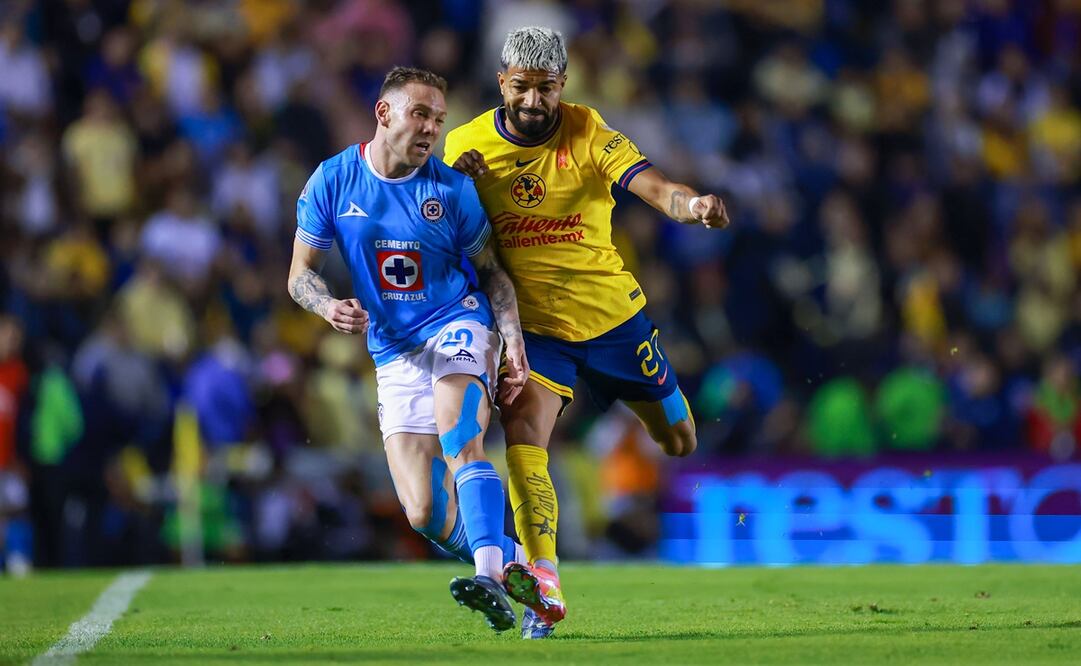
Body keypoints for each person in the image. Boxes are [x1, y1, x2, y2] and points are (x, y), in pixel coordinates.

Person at [444, 27, 730, 638]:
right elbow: (433, 220)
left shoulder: (589, 130)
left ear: (562, 86)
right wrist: (453, 184)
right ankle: (542, 580)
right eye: (520, 87)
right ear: (502, 82)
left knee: (680, 440)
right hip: (535, 328)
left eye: (545, 89)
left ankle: (637, 413)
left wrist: (692, 205)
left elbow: (654, 186)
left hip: (613, 320)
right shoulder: (464, 145)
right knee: (522, 428)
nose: (531, 101)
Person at [287, 66, 530, 633]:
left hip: (456, 322)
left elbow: (493, 275)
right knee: (421, 511)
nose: (431, 129)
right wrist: (326, 307)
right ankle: (524, 568)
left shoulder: (450, 190)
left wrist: (512, 340)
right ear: (384, 113)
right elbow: (300, 274)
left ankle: (491, 579)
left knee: (459, 436)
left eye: (439, 120)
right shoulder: (332, 180)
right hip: (393, 350)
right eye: (420, 114)